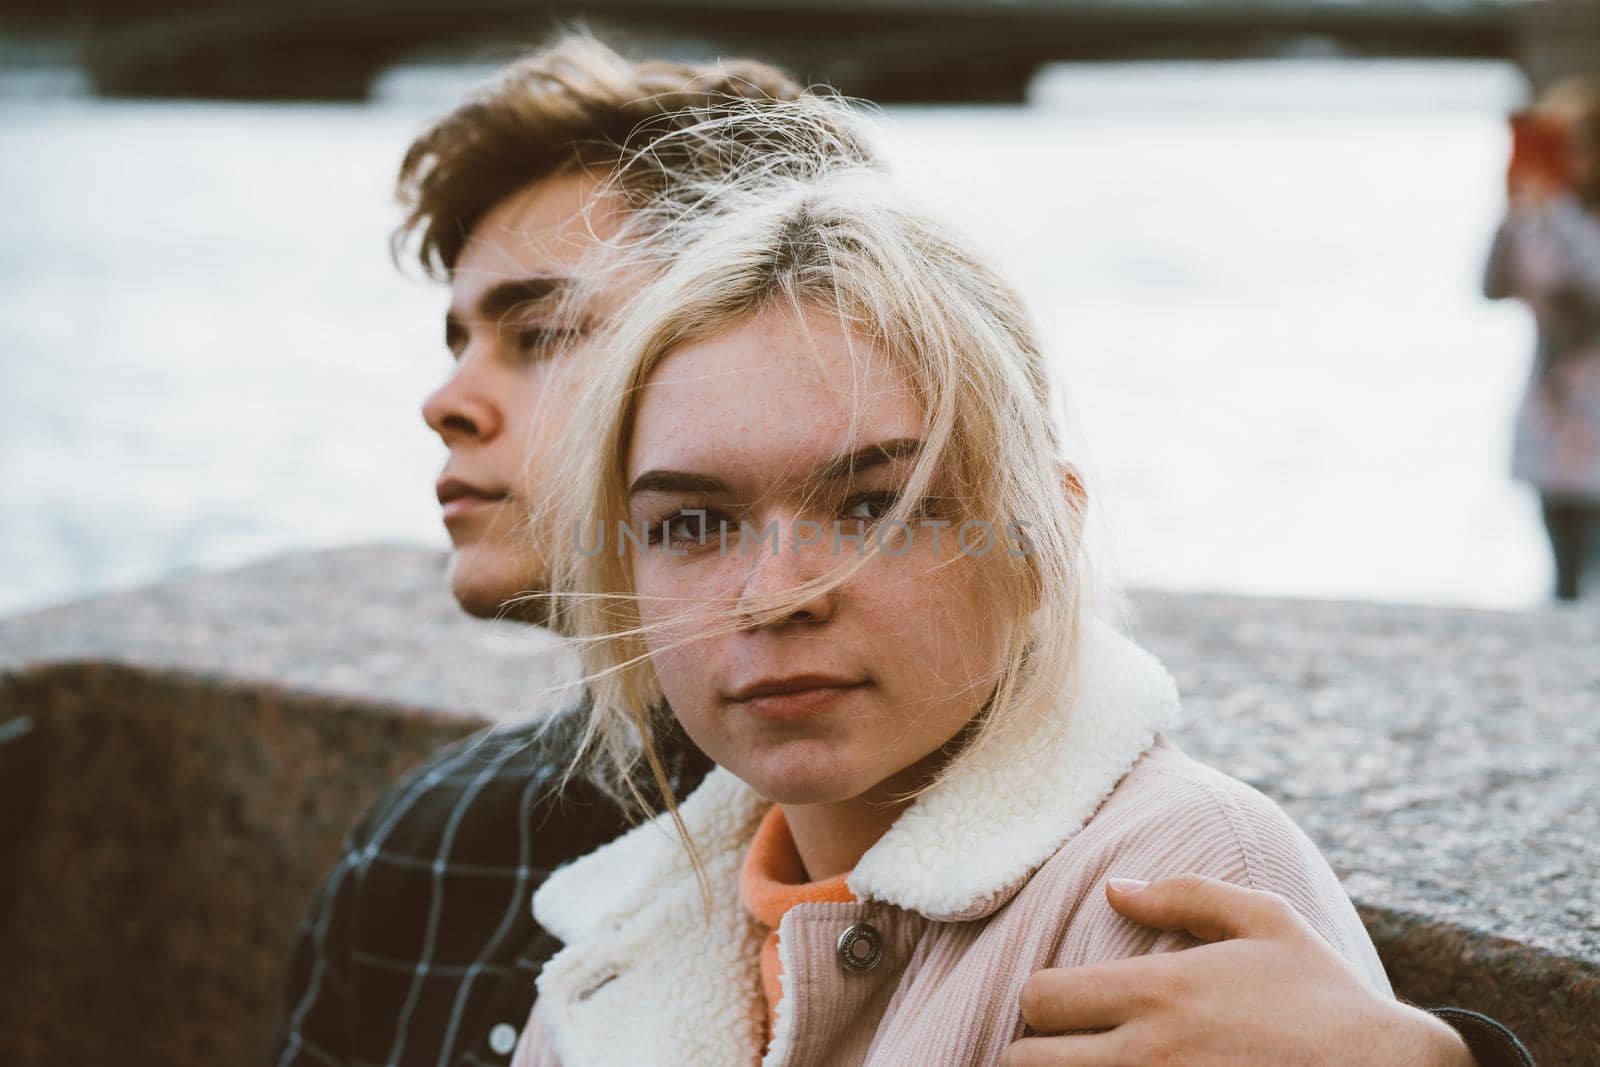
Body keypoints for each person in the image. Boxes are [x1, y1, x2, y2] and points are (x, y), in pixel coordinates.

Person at [270, 34, 1533, 1067]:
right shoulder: (617, 907)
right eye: (691, 523)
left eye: (878, 503)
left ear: (1043, 533)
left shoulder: (1170, 885)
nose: (776, 593)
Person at [1484, 75, 1600, 602]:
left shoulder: (1571, 225)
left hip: (1589, 398)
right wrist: (1512, 215)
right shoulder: (1538, 220)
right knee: (1565, 561)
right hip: (1553, 406)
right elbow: (1491, 287)